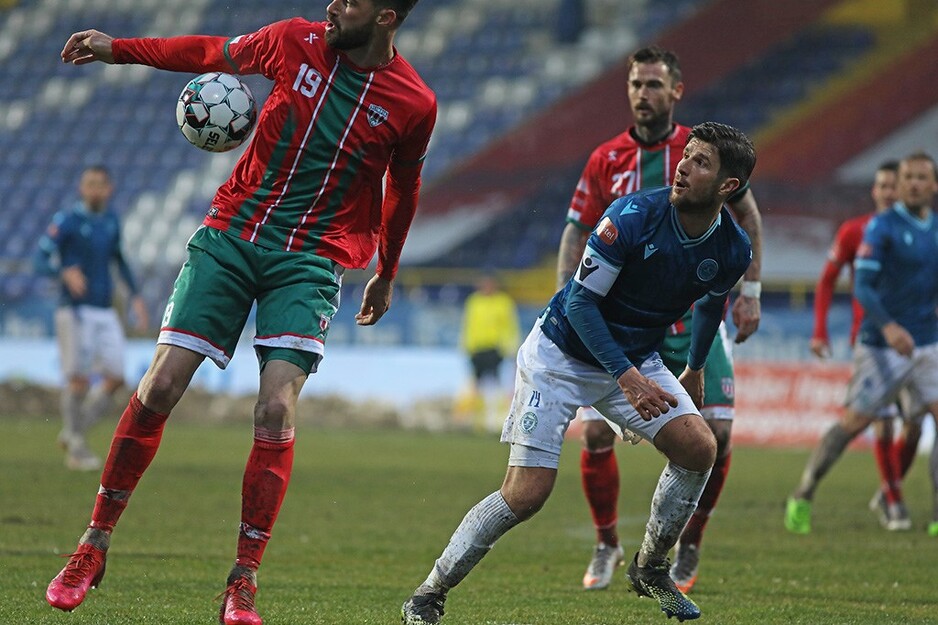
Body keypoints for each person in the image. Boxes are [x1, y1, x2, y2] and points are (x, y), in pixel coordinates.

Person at [46, 2, 436, 624]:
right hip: (231, 235)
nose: (333, 6)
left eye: (351, 1)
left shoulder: (414, 102)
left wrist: (387, 272)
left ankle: (243, 579)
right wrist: (115, 48)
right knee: (161, 385)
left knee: (276, 407)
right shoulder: (291, 41)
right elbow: (207, 53)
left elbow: (404, 189)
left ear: (387, 16)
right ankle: (92, 543)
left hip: (311, 259)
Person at [401, 121, 756, 625]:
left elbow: (711, 304)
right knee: (526, 495)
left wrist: (695, 366)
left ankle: (650, 568)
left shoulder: (733, 248)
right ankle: (429, 592)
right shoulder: (630, 217)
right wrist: (628, 377)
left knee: (699, 448)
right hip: (560, 356)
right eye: (687, 155)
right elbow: (582, 303)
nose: (682, 166)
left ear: (728, 187)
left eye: (701, 162)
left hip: (634, 360)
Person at [556, 45, 763, 593]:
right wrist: (568, 298)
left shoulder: (705, 152)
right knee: (597, 434)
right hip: (623, 326)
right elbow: (577, 231)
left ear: (676, 91)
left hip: (692, 318)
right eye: (635, 84)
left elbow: (749, 218)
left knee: (715, 433)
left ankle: (687, 544)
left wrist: (753, 293)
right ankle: (606, 544)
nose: (642, 94)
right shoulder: (606, 159)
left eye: (653, 84)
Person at [785, 151, 938, 535]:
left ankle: (924, 509)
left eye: (923, 177)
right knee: (859, 423)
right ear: (898, 186)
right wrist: (887, 327)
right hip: (880, 345)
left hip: (927, 344)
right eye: (909, 178)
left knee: (919, 427)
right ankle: (804, 491)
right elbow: (862, 288)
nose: (915, 184)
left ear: (934, 185)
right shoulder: (877, 229)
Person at [34, 165, 149, 471]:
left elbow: (120, 259)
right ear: (81, 189)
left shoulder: (111, 220)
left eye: (100, 184)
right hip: (74, 309)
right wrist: (64, 272)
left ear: (109, 189)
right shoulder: (68, 221)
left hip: (104, 309)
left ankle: (73, 431)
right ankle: (77, 448)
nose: (95, 189)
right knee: (78, 379)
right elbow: (40, 258)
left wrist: (135, 296)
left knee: (116, 378)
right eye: (89, 184)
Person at [458, 273, 520, 432]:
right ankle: (475, 421)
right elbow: (468, 325)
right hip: (477, 349)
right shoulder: (473, 302)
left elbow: (510, 326)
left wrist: (510, 347)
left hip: (495, 349)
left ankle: (494, 420)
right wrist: (466, 346)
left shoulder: (503, 302)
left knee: (495, 384)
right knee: (475, 385)